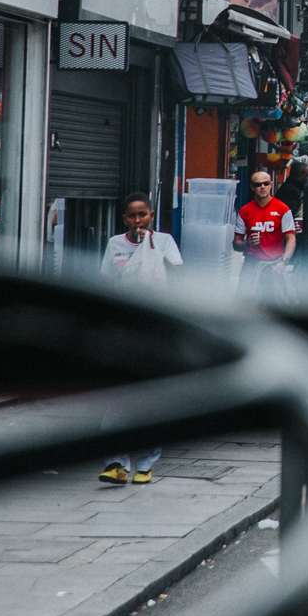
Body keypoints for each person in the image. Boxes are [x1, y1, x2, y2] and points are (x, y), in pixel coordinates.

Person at [98, 192, 182, 483]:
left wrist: (153, 247)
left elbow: (178, 276)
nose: (137, 220)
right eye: (132, 216)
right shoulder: (115, 245)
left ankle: (145, 464)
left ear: (151, 216)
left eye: (142, 214)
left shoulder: (164, 241)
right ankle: (116, 463)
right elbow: (107, 283)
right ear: (124, 219)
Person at [234, 170, 296, 298]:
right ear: (252, 187)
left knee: (278, 302)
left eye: (265, 183)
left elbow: (291, 238)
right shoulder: (245, 211)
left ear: (271, 185)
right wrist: (247, 243)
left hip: (275, 263)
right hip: (252, 263)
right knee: (243, 302)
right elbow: (236, 243)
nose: (262, 187)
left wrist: (284, 261)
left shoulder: (282, 209)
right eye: (258, 184)